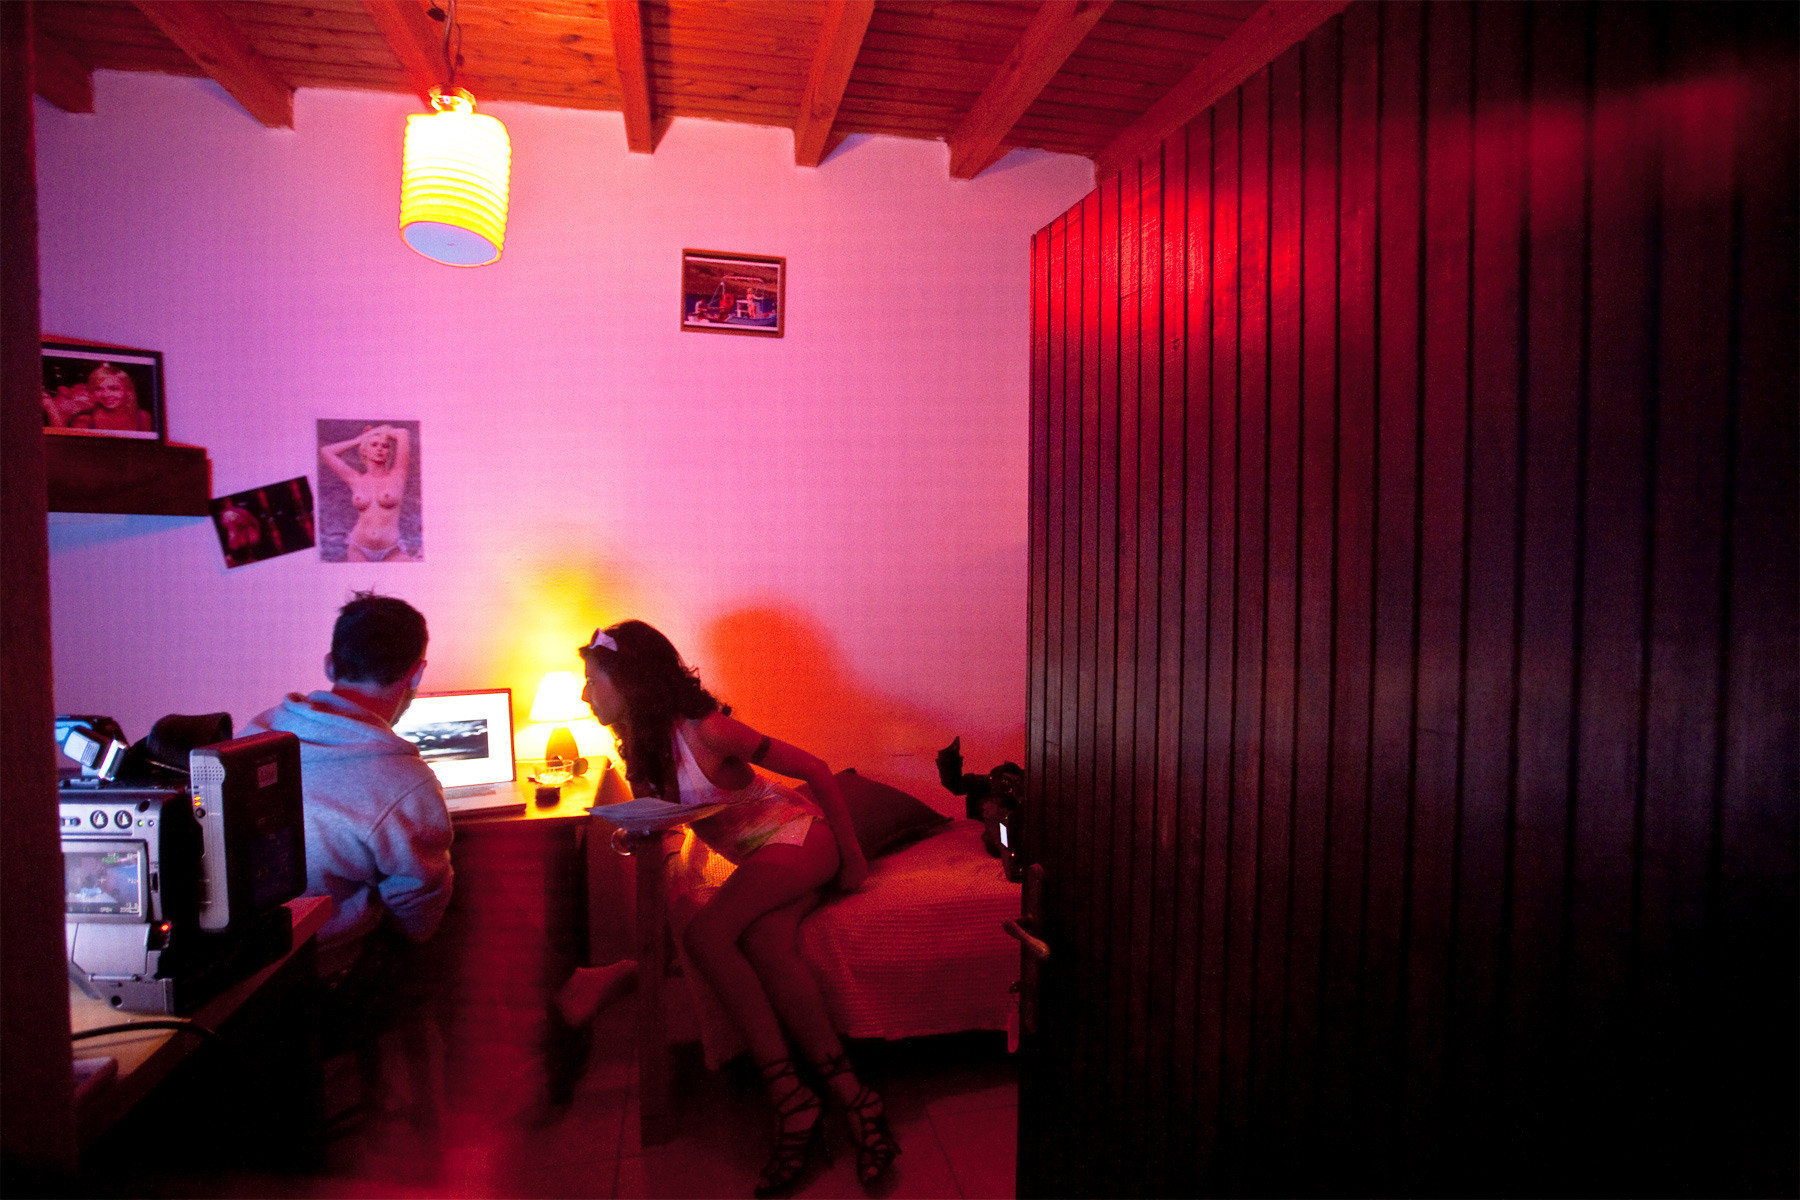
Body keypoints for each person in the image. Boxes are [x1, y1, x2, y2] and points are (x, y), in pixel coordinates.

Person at [573, 620, 899, 1196]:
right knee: (766, 942)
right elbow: (674, 819)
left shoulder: (709, 729)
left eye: (593, 680)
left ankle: (790, 1098)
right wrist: (637, 834)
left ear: (631, 681)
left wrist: (853, 856)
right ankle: (854, 1097)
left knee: (707, 935)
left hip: (799, 835)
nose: (584, 694)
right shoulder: (641, 748)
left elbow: (816, 770)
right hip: (761, 857)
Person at [243, 592, 451, 979]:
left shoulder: (258, 730)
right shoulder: (406, 781)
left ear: (330, 663)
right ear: (417, 674)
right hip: (324, 971)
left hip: (242, 964)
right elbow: (418, 915)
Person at [320, 424, 414, 562]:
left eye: (385, 446)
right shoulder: (355, 479)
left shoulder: (398, 475)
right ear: (364, 450)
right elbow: (326, 451)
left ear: (389, 453)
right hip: (358, 548)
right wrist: (359, 439)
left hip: (391, 550)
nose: (380, 449)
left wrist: (375, 432)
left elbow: (403, 433)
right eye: (374, 445)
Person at [41, 364, 154, 432]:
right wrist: (51, 407)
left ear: (128, 391)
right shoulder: (85, 419)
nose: (106, 395)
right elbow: (67, 448)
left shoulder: (143, 417)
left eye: (113, 388)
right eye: (98, 389)